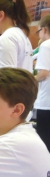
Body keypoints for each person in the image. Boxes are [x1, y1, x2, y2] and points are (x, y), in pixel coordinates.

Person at [34, 15, 50, 152]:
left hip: (47, 103)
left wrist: (30, 80)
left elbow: (44, 73)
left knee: (45, 143)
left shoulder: (46, 45)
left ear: (44, 30)